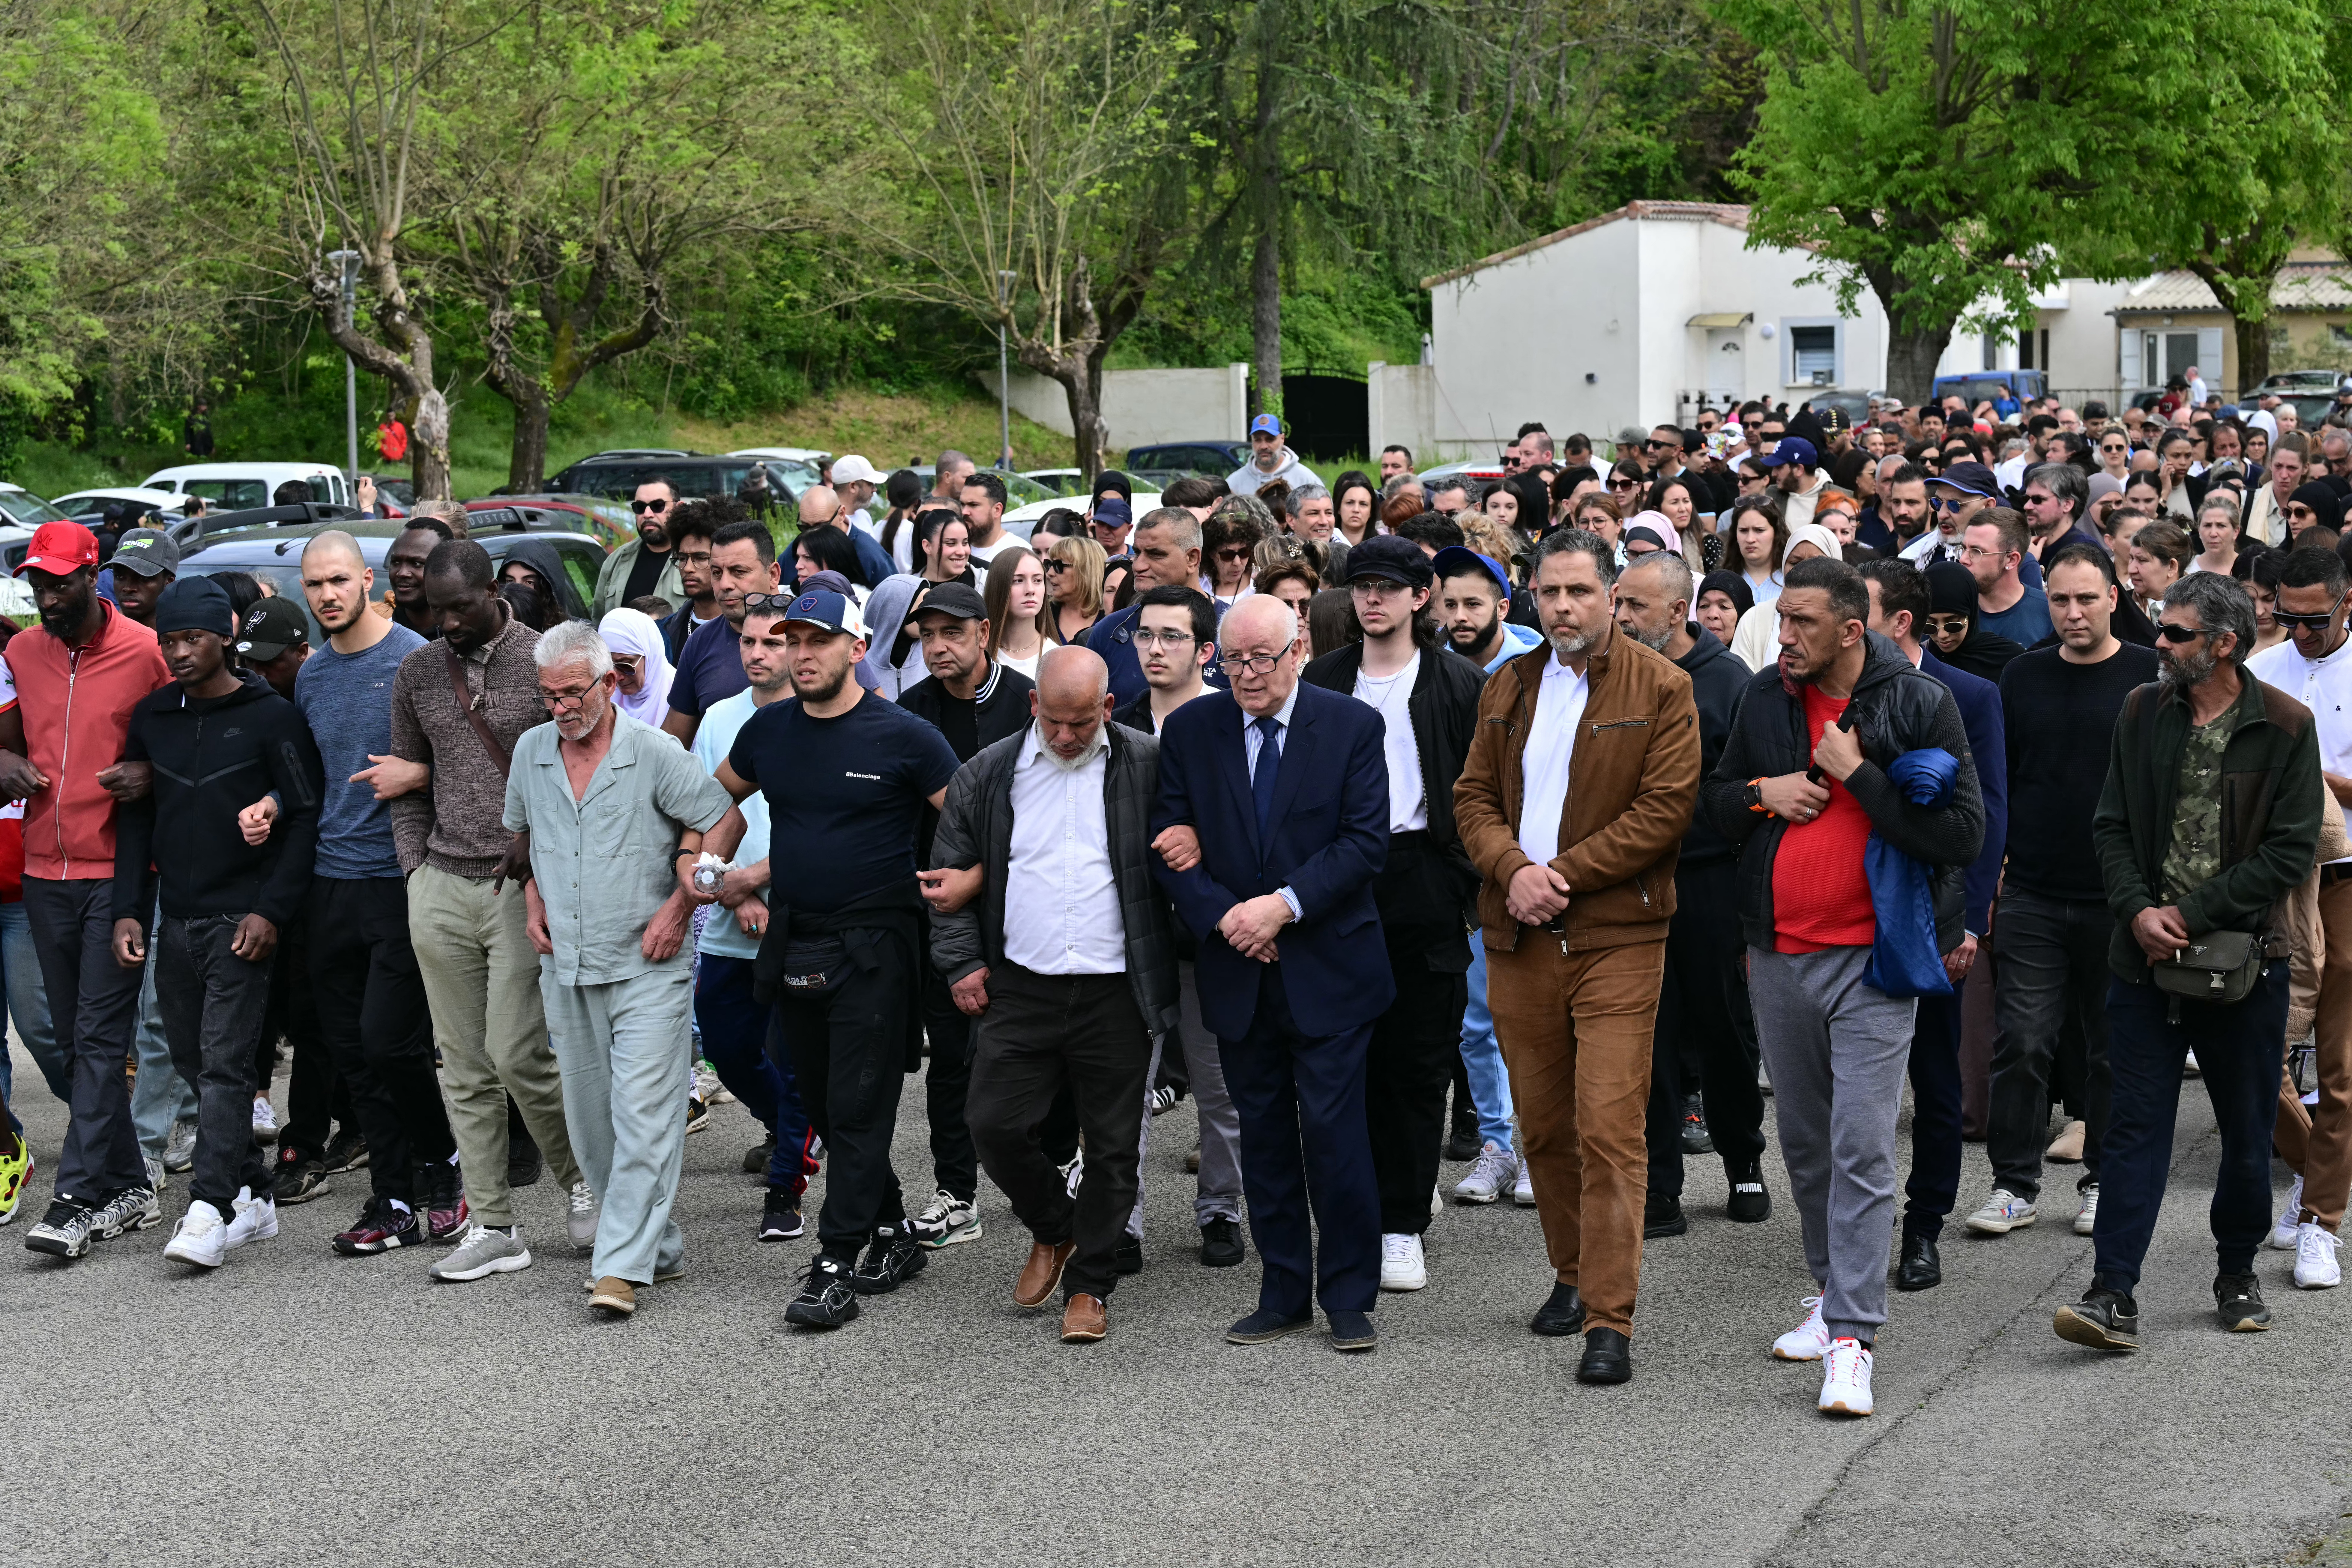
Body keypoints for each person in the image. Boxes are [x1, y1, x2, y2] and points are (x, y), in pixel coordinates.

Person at [1700, 555, 1984, 1417]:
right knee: (1806, 1141)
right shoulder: (1761, 697)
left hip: (1874, 958)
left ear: (1853, 630)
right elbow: (1708, 802)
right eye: (1779, 620)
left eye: (1802, 624)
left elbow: (1962, 833)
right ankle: (1829, 1297)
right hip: (1778, 952)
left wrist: (1858, 775)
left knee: (1862, 1141)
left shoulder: (1917, 700)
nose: (1783, 637)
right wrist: (1761, 792)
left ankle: (1855, 1337)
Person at [1453, 528, 1700, 1386]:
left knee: (1608, 1127)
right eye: (1549, 592)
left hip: (1618, 936)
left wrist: (1558, 873)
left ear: (1611, 596)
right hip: (1519, 934)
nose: (1563, 607)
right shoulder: (1507, 685)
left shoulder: (1663, 687)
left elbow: (1663, 811)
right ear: (1531, 596)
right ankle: (1569, 1272)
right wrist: (1514, 871)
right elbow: (1473, 796)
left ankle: (1610, 1317)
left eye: (1580, 592)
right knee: (1547, 1127)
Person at [2054, 572, 2318, 1351]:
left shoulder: (2284, 725)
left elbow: (2288, 852)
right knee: (2134, 1128)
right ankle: (2112, 1294)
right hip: (2142, 966)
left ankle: (2235, 1271)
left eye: (2173, 634)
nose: (2158, 644)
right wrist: (2139, 910)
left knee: (2244, 1130)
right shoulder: (2142, 711)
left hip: (2245, 968)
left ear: (2224, 643)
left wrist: (2190, 914)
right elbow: (2109, 826)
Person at [705, 588, 959, 1329]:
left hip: (877, 945)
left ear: (856, 647)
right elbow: (718, 798)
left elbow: (973, 817)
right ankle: (892, 1230)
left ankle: (835, 1257)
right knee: (818, 1102)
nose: (802, 653)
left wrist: (966, 884)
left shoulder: (905, 736)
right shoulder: (768, 730)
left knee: (857, 1103)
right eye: (793, 640)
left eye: (819, 640)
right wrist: (710, 862)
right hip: (794, 938)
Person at [1149, 594, 1390, 1350]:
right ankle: (1282, 1289)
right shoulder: (1192, 728)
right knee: (1264, 1136)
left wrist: (1279, 908)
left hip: (1329, 965)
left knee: (1333, 1132)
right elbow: (1169, 836)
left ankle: (1349, 1295)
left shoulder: (1350, 724)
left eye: (1264, 657)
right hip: (1237, 967)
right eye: (1234, 659)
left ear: (1299, 651)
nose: (1248, 673)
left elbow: (1363, 842)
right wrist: (1229, 918)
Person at [929, 646, 1178, 1342]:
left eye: (1080, 721)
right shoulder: (987, 773)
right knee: (992, 1123)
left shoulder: (1148, 763)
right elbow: (946, 880)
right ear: (1033, 704)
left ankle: (1091, 1283)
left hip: (1115, 990)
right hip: (1021, 983)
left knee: (1111, 1144)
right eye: (1053, 720)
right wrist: (961, 965)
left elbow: (1177, 862)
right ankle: (1054, 1226)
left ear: (1106, 708)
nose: (1066, 735)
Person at [496, 624, 736, 1318]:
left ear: (608, 684)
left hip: (648, 962)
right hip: (566, 964)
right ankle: (657, 1245)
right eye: (550, 695)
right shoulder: (533, 750)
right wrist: (534, 898)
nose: (561, 707)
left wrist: (680, 903)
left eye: (574, 692)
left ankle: (621, 1264)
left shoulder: (654, 751)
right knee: (592, 1125)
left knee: (644, 1115)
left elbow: (723, 819)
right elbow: (526, 836)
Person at [385, 541, 597, 1283]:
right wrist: (415, 871)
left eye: (457, 607)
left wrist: (537, 845)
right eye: (432, 610)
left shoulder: (542, 657)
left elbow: (580, 757)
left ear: (492, 591)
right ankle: (496, 1223)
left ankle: (582, 1179)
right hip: (442, 881)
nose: (443, 622)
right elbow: (404, 779)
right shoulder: (415, 670)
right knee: (464, 1066)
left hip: (521, 887)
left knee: (517, 1053)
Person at [111, 578, 319, 1268]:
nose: (179, 651)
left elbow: (303, 814)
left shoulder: (268, 715)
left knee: (229, 1061)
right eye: (169, 639)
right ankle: (253, 1196)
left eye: (192, 638)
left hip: (243, 917)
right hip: (177, 917)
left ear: (225, 636)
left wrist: (271, 910)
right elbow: (137, 824)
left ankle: (208, 1205)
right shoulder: (153, 716)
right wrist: (128, 912)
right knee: (195, 1061)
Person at [1296, 538, 1481, 1294]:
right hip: (1340, 873)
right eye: (1362, 586)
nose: (1373, 599)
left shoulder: (1456, 681)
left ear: (1420, 595)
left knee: (1416, 1057)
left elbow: (1480, 787)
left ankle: (1401, 1222)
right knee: (1342, 1058)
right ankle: (1353, 1208)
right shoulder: (1322, 677)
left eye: (1389, 587)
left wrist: (1464, 878)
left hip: (1422, 874)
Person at [1962, 545, 2156, 1255]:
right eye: (2061, 601)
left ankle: (2103, 1178)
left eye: (2086, 599)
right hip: (2034, 890)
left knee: (2112, 1048)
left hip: (2118, 893)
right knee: (2022, 1040)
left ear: (2112, 596)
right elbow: (1997, 781)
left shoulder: (2147, 673)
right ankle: (2013, 1182)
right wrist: (1992, 877)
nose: (2072, 613)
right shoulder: (2022, 675)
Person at [280, 531, 468, 1256]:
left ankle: (443, 1164)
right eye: (314, 584)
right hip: (327, 883)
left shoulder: (417, 660)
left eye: (338, 579)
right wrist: (272, 801)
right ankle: (392, 1197)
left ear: (367, 579)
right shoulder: (311, 674)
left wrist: (418, 776)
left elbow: (475, 764)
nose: (326, 594)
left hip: (401, 877)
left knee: (394, 1042)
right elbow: (309, 774)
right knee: (352, 1054)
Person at [6, 522, 173, 1259]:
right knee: (75, 1039)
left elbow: (185, 737)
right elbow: (6, 738)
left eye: (59, 581)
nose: (46, 595)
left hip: (118, 872)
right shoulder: (20, 651)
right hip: (44, 869)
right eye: (37, 582)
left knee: (102, 1036)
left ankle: (76, 1198)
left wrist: (151, 777)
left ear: (92, 575)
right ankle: (131, 1180)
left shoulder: (145, 650)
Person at [1855, 559, 2006, 1290]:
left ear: (1897, 621)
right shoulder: (1830, 692)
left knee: (1935, 1079)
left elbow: (1988, 812)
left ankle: (1924, 1226)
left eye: (1861, 609)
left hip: (1938, 913)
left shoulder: (1966, 694)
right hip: (1855, 917)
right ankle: (1856, 1227)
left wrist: (1969, 921)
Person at [1611, 550, 1770, 1239]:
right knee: (1647, 1033)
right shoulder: (1609, 675)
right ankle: (1660, 1185)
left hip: (1708, 879)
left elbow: (1749, 789)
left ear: (1679, 611)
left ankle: (1744, 1159)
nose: (1618, 617)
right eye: (1616, 603)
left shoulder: (1729, 682)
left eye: (1634, 607)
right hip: (1629, 881)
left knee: (1724, 1028)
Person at [1106, 585, 1246, 1262]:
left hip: (1208, 936)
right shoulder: (1117, 723)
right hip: (1132, 936)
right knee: (1126, 1089)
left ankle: (1221, 1208)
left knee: (1220, 1087)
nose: (1155, 648)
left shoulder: (1230, 726)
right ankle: (1124, 1220)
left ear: (1206, 650)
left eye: (1172, 636)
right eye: (1145, 635)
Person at [895, 582, 1035, 1250]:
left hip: (1028, 901)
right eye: (928, 635)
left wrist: (981, 874)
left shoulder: (1028, 701)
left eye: (953, 633)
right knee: (951, 1054)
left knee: (1041, 1046)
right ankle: (958, 1191)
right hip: (941, 910)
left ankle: (1059, 1160)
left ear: (985, 632)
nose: (939, 647)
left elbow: (1046, 815)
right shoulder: (911, 710)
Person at [687, 600, 818, 1244]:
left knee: (792, 1060)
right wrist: (734, 892)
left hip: (801, 917)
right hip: (730, 914)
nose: (759, 653)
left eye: (774, 641)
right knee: (727, 1048)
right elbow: (709, 812)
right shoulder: (718, 719)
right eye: (748, 641)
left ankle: (785, 1187)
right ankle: (791, 1125)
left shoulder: (817, 717)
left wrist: (762, 882)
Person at [2245, 548, 2352, 1289]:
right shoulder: (2260, 671)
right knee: (2260, 1052)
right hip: (2275, 879)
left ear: (2347, 604)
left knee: (2341, 1064)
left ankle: (2321, 1220)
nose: (2302, 630)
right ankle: (2317, 1168)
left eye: (2316, 617)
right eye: (2289, 615)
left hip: (2346, 877)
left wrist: (2315, 779)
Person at [1431, 549, 1545, 1203]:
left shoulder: (1542, 666)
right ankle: (1499, 1146)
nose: (1460, 615)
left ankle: (1539, 1147)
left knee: (1533, 1017)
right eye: (1450, 603)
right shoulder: (1434, 670)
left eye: (1473, 604)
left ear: (1503, 606)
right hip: (1466, 872)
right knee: (1478, 1021)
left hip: (1531, 867)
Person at [1089, 508, 1231, 710]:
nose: (1138, 566)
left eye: (1155, 554)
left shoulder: (1235, 629)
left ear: (1192, 559)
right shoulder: (1108, 632)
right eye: (1137, 553)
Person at [664, 519, 782, 747]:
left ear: (773, 574)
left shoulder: (812, 631)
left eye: (739, 572)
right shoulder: (700, 641)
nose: (725, 584)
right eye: (717, 573)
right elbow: (673, 744)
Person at [594, 478, 686, 619]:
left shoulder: (697, 560)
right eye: (640, 507)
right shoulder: (617, 560)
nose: (647, 514)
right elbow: (599, 621)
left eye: (658, 505)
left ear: (679, 508)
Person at [1960, 509, 2054, 646]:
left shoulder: (2051, 613)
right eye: (1964, 549)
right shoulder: (1951, 613)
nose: (1963, 559)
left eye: (1977, 552)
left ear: (2011, 560)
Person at [1922, 561, 2027, 683]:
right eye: (1931, 626)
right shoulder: (1920, 659)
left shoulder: (2010, 659)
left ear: (1970, 616)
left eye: (1953, 625)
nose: (1942, 635)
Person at [1899, 461, 2000, 567]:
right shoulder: (1915, 549)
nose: (1942, 515)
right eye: (1937, 503)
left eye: (1955, 505)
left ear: (1988, 506)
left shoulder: (2005, 556)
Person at [983, 546, 1051, 682]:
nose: (1030, 590)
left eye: (1037, 580)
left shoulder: (1055, 656)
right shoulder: (979, 655)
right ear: (998, 587)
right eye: (1019, 581)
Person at [382, 518, 456, 638]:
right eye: (396, 562)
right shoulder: (380, 638)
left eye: (417, 564)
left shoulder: (468, 639)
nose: (402, 573)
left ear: (447, 567)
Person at [1227, 414, 1322, 498]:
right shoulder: (1234, 484)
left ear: (1282, 439)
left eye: (1270, 440)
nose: (1264, 446)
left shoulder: (1306, 480)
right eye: (1258, 440)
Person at [107, 527, 178, 627]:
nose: (128, 588)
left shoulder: (181, 639)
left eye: (143, 578)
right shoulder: (97, 637)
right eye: (120, 577)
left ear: (169, 583)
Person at [1046, 533, 1108, 645]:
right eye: (1049, 565)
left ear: (1086, 570)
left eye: (1058, 565)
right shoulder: (1044, 613)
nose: (1050, 573)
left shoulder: (1111, 617)